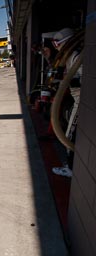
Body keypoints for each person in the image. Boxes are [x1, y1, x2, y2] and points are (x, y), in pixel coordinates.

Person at [50, 28, 82, 178]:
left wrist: (66, 81)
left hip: (81, 103)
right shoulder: (69, 56)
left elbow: (83, 77)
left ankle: (70, 168)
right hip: (75, 99)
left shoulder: (76, 55)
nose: (56, 47)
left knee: (69, 135)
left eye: (57, 44)